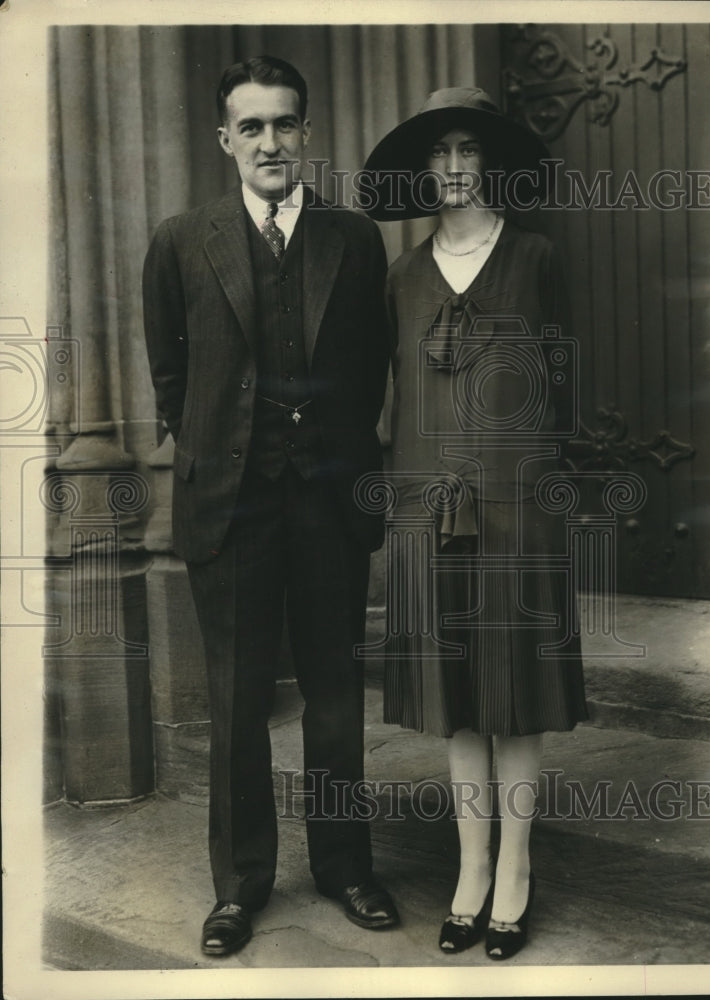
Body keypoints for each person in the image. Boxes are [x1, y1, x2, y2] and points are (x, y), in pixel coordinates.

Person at [142, 55, 398, 958]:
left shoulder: (353, 240)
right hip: (233, 510)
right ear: (225, 141)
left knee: (333, 699)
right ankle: (240, 884)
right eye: (251, 127)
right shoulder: (181, 240)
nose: (270, 142)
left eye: (284, 124)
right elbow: (171, 373)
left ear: (307, 134)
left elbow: (371, 366)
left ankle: (344, 867)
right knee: (237, 702)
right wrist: (222, 449)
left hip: (329, 503)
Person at [362, 88, 588, 960]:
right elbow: (399, 397)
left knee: (515, 698)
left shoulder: (534, 258)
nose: (455, 167)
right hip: (430, 510)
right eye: (440, 152)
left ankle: (518, 874)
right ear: (424, 168)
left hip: (519, 508)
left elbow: (560, 383)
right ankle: (472, 871)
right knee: (459, 705)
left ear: (490, 161)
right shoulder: (402, 276)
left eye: (469, 150)